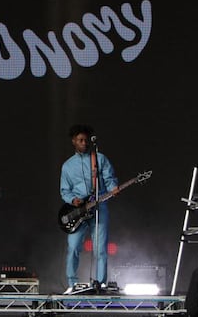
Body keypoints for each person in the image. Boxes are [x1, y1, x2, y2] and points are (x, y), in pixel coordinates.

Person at [60, 124, 119, 294]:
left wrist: (113, 187)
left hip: (99, 207)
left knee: (100, 249)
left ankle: (100, 284)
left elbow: (109, 179)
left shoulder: (99, 159)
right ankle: (72, 284)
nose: (84, 143)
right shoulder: (67, 166)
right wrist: (73, 199)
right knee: (73, 248)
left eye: (86, 140)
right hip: (78, 212)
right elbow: (64, 190)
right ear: (74, 141)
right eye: (80, 140)